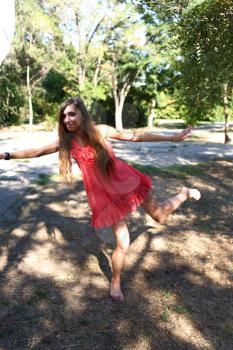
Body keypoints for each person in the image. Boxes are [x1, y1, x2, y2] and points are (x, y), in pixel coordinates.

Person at [0, 96, 201, 301]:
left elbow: (135, 136)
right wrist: (6, 154)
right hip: (105, 197)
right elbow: (36, 152)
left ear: (82, 114)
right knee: (123, 242)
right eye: (64, 116)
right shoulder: (67, 142)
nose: (67, 119)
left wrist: (171, 137)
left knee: (159, 216)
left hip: (127, 182)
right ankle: (115, 282)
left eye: (71, 114)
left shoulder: (100, 131)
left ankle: (184, 193)